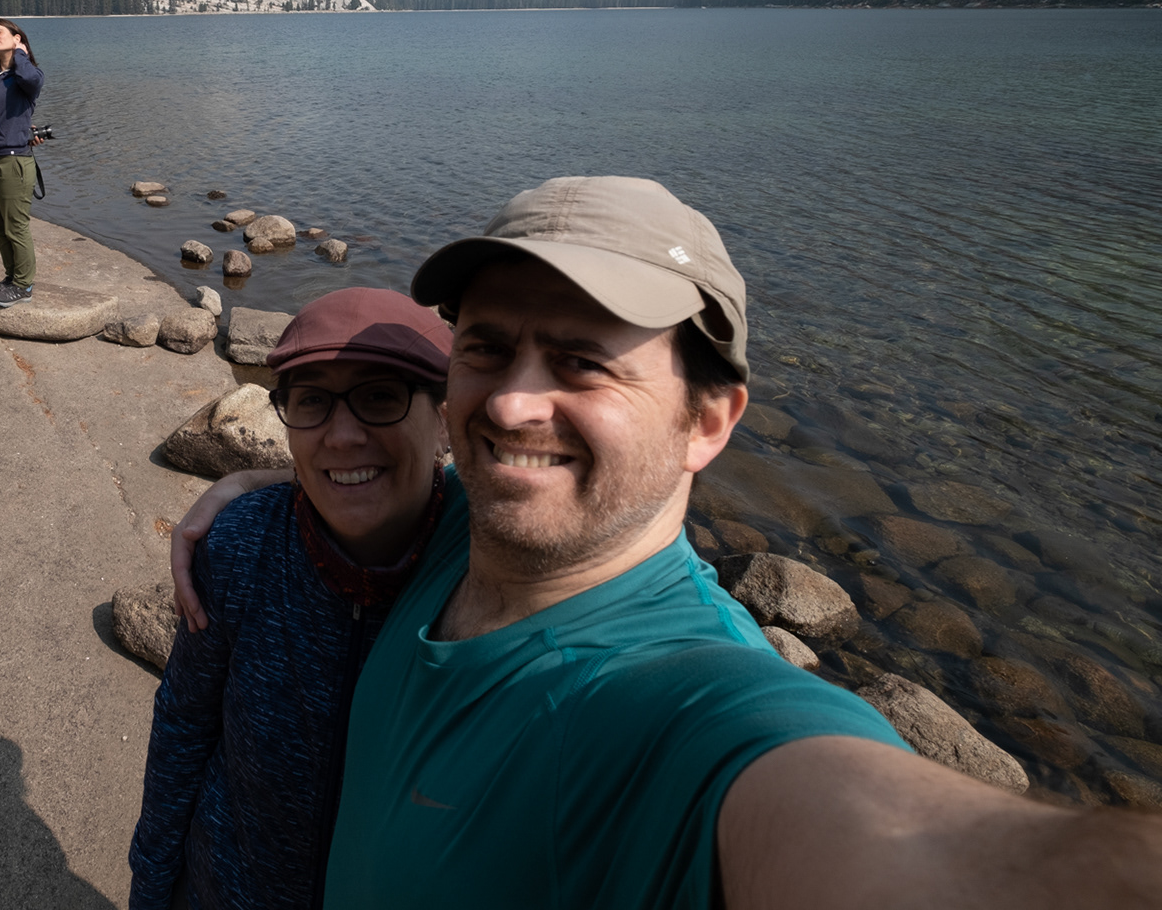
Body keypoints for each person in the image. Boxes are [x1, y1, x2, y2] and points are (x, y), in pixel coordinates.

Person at [175, 176, 1162, 908]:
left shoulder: (692, 704)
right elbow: (383, 468)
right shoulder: (460, 530)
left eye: (582, 362)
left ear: (709, 420)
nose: (515, 401)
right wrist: (263, 482)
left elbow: (902, 841)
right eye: (486, 347)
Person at [130, 287, 454, 910]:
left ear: (445, 415)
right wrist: (151, 883)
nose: (342, 435)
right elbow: (184, 723)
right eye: (311, 402)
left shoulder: (485, 568)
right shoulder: (241, 545)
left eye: (380, 397)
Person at [0, 19, 45, 308]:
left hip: (13, 161)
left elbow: (33, 82)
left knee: (16, 225)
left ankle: (24, 284)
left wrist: (21, 56)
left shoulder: (25, 74)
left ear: (17, 38)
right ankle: (11, 276)